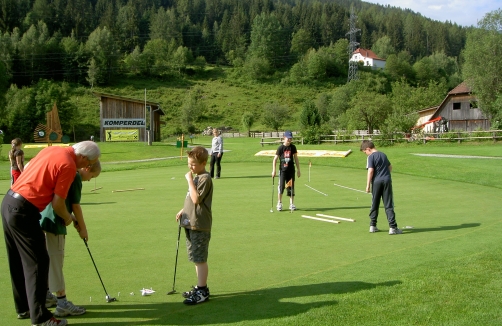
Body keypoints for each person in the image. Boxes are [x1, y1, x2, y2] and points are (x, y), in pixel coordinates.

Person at [1, 141, 100, 326]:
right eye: (88, 163)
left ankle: (24, 308)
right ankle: (41, 318)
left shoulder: (53, 149)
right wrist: (70, 219)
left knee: (17, 259)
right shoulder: (69, 165)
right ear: (83, 157)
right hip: (24, 210)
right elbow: (58, 204)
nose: (86, 167)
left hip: (8, 202)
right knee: (38, 261)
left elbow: (30, 168)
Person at [40, 161, 101, 318]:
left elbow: (65, 202)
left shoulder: (68, 173)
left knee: (46, 259)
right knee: (56, 261)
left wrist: (73, 219)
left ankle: (46, 295)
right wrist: (83, 228)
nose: (89, 180)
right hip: (55, 223)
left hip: (43, 219)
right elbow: (76, 205)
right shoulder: (76, 177)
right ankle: (62, 303)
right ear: (86, 168)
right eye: (92, 176)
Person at [175, 146, 213, 305]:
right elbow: (191, 198)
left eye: (193, 165)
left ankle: (202, 290)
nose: (190, 167)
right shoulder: (197, 176)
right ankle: (199, 287)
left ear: (204, 163)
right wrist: (183, 210)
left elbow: (197, 199)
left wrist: (190, 180)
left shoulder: (204, 178)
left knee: (200, 258)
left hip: (200, 224)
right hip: (190, 222)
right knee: (195, 257)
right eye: (189, 164)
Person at [360, 140, 402, 235]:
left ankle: (373, 225)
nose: (366, 154)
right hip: (386, 180)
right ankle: (392, 227)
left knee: (375, 203)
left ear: (368, 149)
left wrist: (367, 185)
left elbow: (370, 171)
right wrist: (385, 174)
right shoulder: (383, 155)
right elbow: (390, 167)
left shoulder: (371, 157)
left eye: (365, 152)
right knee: (388, 204)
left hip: (376, 181)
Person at [272, 131, 301, 211]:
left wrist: (298, 170)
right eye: (288, 138)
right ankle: (279, 203)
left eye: (291, 138)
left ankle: (291, 204)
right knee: (281, 187)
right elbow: (275, 159)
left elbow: (296, 158)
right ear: (284, 138)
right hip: (283, 171)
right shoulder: (280, 148)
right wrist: (273, 170)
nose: (289, 139)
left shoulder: (293, 147)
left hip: (291, 171)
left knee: (290, 187)